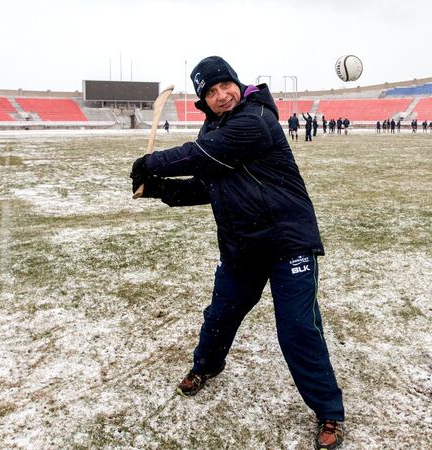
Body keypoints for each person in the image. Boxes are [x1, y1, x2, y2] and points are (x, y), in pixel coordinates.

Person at [129, 56, 345, 449]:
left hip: (287, 243)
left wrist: (152, 163)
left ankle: (329, 411)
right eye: (210, 92)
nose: (220, 95)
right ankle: (206, 367)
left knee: (297, 328)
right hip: (241, 248)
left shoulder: (256, 118)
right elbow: (205, 186)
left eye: (223, 85)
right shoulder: (215, 130)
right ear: (204, 101)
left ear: (236, 83)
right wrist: (158, 187)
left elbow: (203, 154)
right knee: (220, 314)